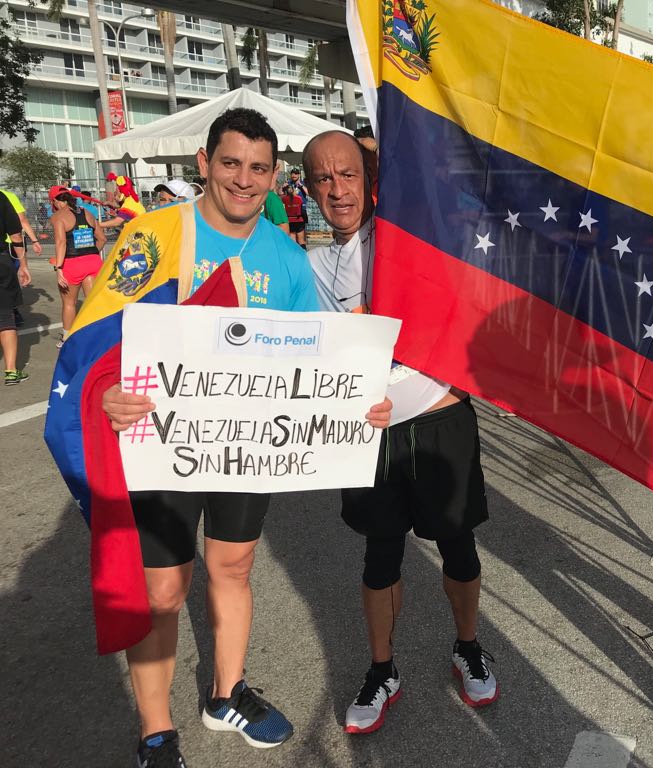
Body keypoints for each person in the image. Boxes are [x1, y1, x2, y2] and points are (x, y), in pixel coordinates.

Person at [93, 108, 394, 768]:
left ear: (274, 175)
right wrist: (105, 392)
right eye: (231, 163)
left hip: (245, 446)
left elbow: (317, 362)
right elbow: (97, 340)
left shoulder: (286, 259)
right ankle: (155, 732)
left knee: (233, 569)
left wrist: (359, 404)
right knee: (163, 592)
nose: (244, 179)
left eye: (259, 168)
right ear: (204, 164)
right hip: (163, 442)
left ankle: (226, 694)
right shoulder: (155, 234)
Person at [303, 130, 499, 735]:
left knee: (457, 545)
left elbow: (471, 300)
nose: (337, 189)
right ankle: (382, 668)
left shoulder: (413, 239)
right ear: (307, 188)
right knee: (380, 553)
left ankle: (467, 646)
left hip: (440, 417)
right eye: (323, 179)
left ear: (370, 178)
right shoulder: (306, 264)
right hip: (370, 435)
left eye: (349, 175)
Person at [49, 186, 105, 348]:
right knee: (93, 302)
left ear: (55, 201)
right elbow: (101, 239)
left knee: (69, 303)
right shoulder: (87, 213)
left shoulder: (58, 217)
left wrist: (59, 268)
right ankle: (100, 336)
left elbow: (61, 243)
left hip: (71, 264)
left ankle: (67, 338)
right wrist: (91, 253)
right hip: (93, 261)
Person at [0, 192, 30, 385]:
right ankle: (11, 370)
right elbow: (16, 234)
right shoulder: (1, 198)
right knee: (5, 316)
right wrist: (23, 264)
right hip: (1, 261)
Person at [281, 183, 306, 248]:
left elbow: (283, 211)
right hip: (299, 220)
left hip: (290, 221)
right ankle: (304, 254)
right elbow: (302, 210)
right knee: (301, 241)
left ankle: (294, 255)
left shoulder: (283, 199)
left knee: (293, 241)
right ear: (293, 191)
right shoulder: (299, 198)